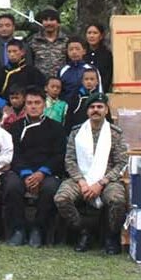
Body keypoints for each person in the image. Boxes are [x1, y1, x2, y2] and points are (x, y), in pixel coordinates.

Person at [55, 93, 128, 254]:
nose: (96, 110)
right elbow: (70, 160)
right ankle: (84, 232)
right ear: (87, 111)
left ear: (106, 110)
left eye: (99, 107)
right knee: (61, 198)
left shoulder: (115, 133)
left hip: (108, 180)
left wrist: (101, 183)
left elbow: (121, 163)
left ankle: (111, 237)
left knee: (117, 200)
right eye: (92, 107)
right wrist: (82, 182)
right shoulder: (77, 132)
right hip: (79, 178)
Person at [1, 87, 65, 248]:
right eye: (29, 103)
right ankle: (18, 229)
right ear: (25, 106)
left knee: (50, 188)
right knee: (12, 186)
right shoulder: (15, 127)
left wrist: (42, 173)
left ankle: (38, 229)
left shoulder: (56, 128)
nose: (33, 106)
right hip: (22, 171)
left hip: (46, 172)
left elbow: (59, 155)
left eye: (37, 103)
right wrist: (26, 173)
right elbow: (12, 153)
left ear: (44, 105)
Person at [0, 39, 44, 109]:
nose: (12, 54)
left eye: (15, 51)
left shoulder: (32, 71)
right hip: (6, 109)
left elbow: (39, 90)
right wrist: (3, 106)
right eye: (9, 52)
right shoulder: (2, 72)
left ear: (22, 52)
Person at [28, 7, 69, 79]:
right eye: (46, 20)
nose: (49, 23)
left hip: (61, 83)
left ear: (58, 23)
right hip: (40, 83)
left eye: (52, 20)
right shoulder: (33, 41)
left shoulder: (66, 41)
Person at [58, 36, 102, 103]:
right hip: (67, 109)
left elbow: (99, 92)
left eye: (77, 49)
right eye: (71, 49)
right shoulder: (62, 71)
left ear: (84, 51)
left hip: (86, 107)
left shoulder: (91, 69)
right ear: (67, 52)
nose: (74, 52)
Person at [65, 68, 106, 134]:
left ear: (97, 82)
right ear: (82, 81)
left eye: (92, 79)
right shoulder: (76, 97)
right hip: (78, 133)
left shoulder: (101, 99)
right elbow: (69, 118)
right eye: (86, 79)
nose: (89, 82)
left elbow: (107, 118)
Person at [84, 23, 113, 93]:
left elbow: (108, 77)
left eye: (95, 33)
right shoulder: (82, 54)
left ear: (101, 36)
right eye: (89, 33)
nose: (91, 36)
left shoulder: (107, 55)